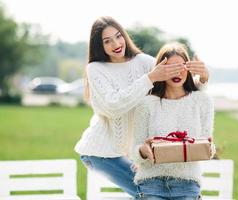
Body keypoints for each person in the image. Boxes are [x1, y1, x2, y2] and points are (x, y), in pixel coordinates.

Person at [74, 16, 209, 198]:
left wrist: (202, 78)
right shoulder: (96, 69)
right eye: (107, 41)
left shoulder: (144, 62)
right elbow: (113, 106)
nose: (116, 43)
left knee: (151, 192)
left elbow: (175, 82)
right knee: (148, 191)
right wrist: (150, 78)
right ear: (100, 46)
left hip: (131, 152)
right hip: (101, 153)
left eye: (118, 36)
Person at [132, 42, 215, 200]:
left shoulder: (202, 101)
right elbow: (134, 151)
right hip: (151, 182)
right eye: (170, 67)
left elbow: (207, 144)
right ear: (160, 70)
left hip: (187, 183)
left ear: (189, 67)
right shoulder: (146, 104)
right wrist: (142, 151)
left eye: (181, 66)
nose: (176, 72)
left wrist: (210, 148)